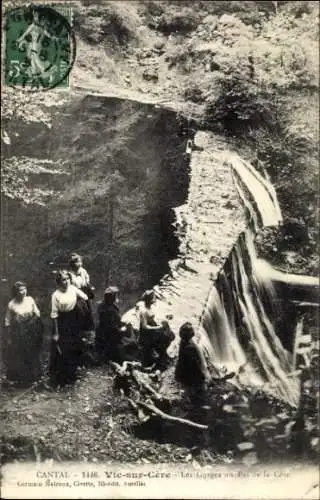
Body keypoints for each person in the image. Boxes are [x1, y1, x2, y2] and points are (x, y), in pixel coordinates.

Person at [48, 270, 89, 387]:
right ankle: (63, 375)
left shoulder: (73, 289)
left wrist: (80, 307)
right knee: (64, 347)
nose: (66, 282)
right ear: (58, 282)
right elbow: (54, 314)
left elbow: (85, 297)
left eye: (67, 279)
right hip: (62, 322)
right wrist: (56, 332)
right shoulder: (55, 295)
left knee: (75, 345)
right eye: (63, 280)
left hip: (74, 320)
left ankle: (73, 372)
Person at [4, 281, 43, 385]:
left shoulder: (30, 300)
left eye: (24, 289)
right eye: (20, 290)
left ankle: (34, 377)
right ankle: (23, 378)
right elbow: (7, 321)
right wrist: (9, 337)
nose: (22, 292)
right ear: (15, 292)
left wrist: (32, 322)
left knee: (32, 351)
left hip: (31, 329)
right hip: (19, 331)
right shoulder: (11, 304)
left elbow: (37, 313)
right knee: (21, 353)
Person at [96, 286, 139, 364]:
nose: (117, 297)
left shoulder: (104, 305)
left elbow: (115, 321)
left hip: (108, 329)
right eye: (115, 295)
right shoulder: (109, 310)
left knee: (130, 326)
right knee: (131, 332)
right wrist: (122, 329)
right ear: (111, 297)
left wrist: (123, 324)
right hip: (110, 334)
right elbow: (111, 326)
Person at [69, 253, 96, 366]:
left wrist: (89, 288)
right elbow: (71, 288)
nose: (78, 264)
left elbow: (87, 281)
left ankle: (88, 342)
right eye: (76, 262)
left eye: (80, 261)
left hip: (85, 294)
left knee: (88, 317)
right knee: (78, 318)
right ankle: (78, 343)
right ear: (72, 264)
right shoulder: (69, 274)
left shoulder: (83, 271)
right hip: (76, 296)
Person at [175, 322, 211, 404]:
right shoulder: (189, 348)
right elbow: (195, 365)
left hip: (182, 372)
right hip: (190, 376)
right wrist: (204, 375)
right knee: (200, 395)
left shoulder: (183, 342)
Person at [139, 290, 174, 370]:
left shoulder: (150, 308)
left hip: (152, 330)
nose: (155, 299)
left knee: (167, 330)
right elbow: (145, 327)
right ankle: (161, 358)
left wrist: (166, 317)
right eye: (153, 297)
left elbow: (154, 319)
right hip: (147, 334)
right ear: (150, 300)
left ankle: (163, 355)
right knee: (165, 337)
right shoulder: (143, 311)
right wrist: (158, 328)